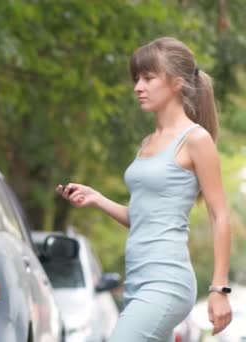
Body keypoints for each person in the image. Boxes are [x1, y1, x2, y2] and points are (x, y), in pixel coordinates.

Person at [57, 37, 232, 341]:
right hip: (138, 281)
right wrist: (98, 199)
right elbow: (144, 217)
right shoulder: (147, 144)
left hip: (166, 281)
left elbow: (220, 216)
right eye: (137, 78)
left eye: (149, 78)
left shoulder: (195, 139)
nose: (138, 86)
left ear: (177, 83)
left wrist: (219, 289)